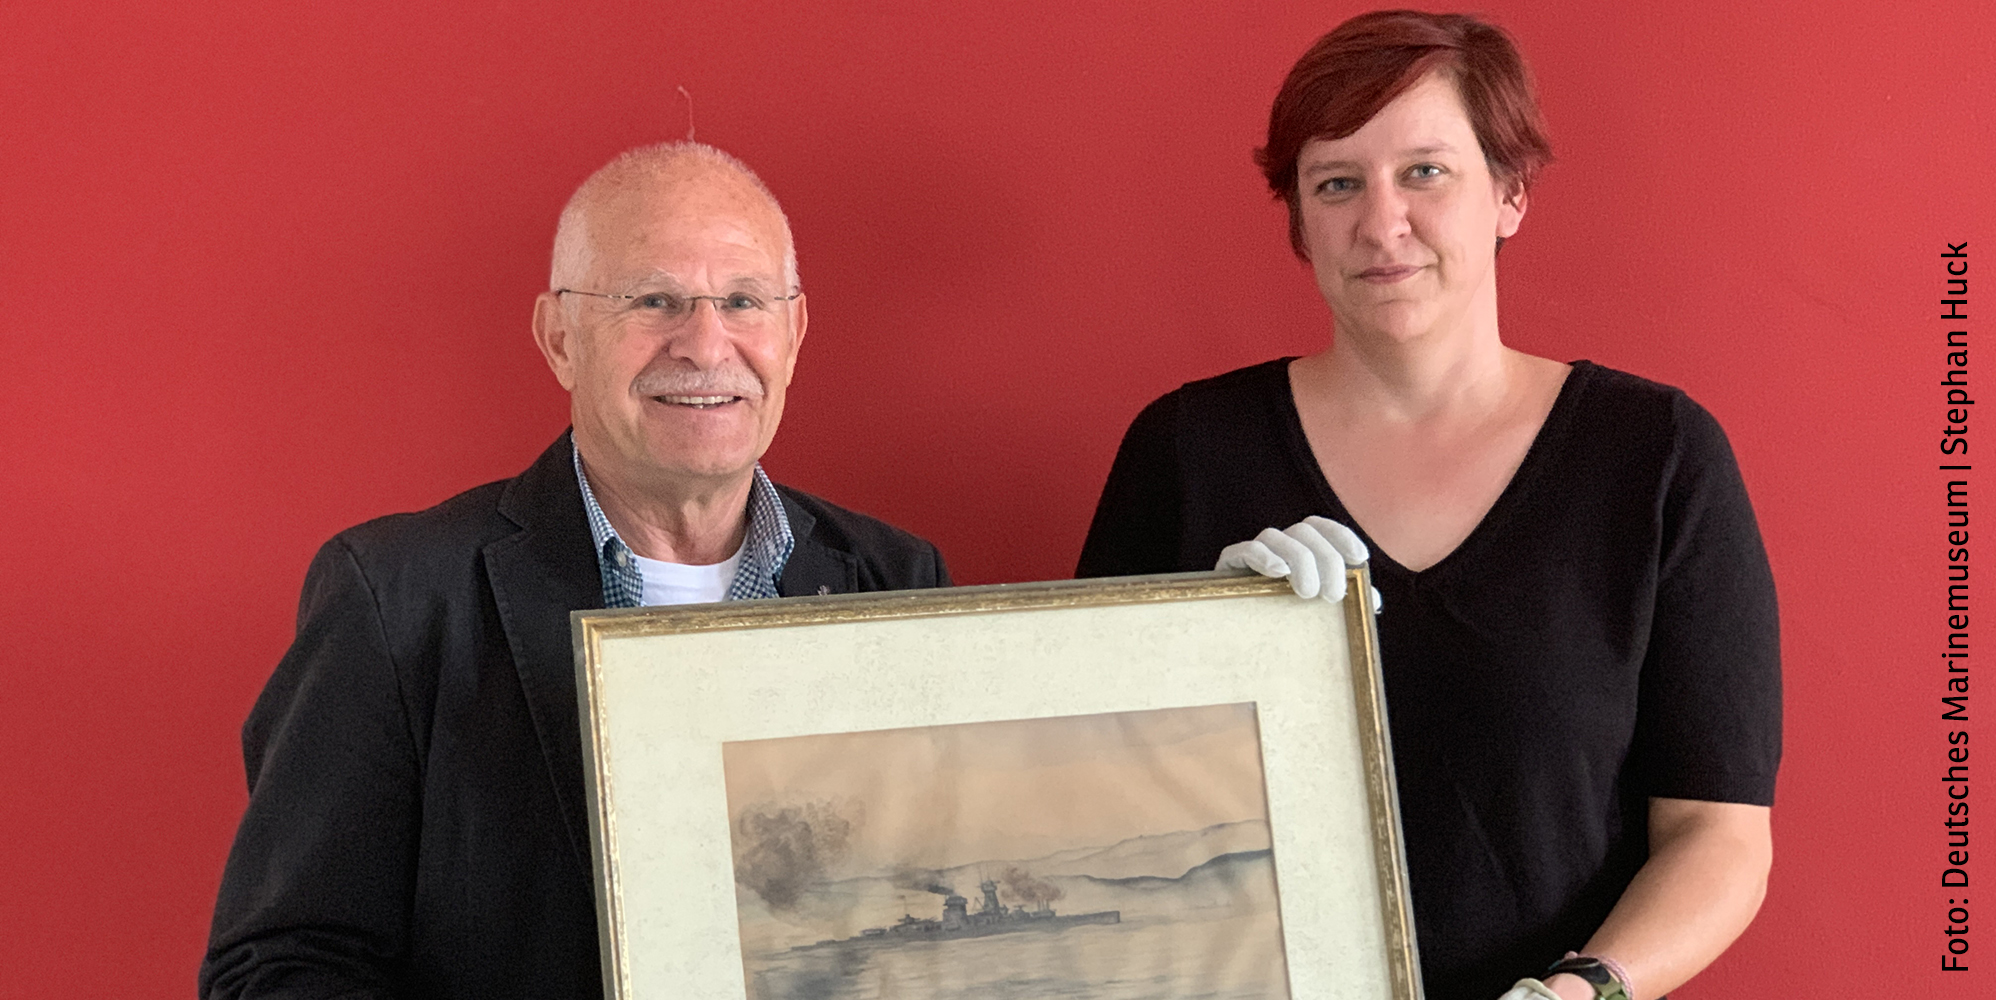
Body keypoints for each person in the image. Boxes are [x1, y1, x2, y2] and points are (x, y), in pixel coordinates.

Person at [1076, 11, 1777, 1000]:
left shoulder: (1655, 457)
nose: (1381, 223)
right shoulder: (1184, 453)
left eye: (1425, 172)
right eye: (1336, 183)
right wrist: (1203, 643)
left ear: (1510, 193)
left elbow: (1719, 833)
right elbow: (1088, 792)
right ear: (1299, 221)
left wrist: (1581, 991)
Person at [200, 141, 949, 1000]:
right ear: (560, 338)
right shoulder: (396, 600)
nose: (706, 345)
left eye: (744, 301)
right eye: (654, 300)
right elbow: (279, 970)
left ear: (795, 333)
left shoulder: (898, 581)